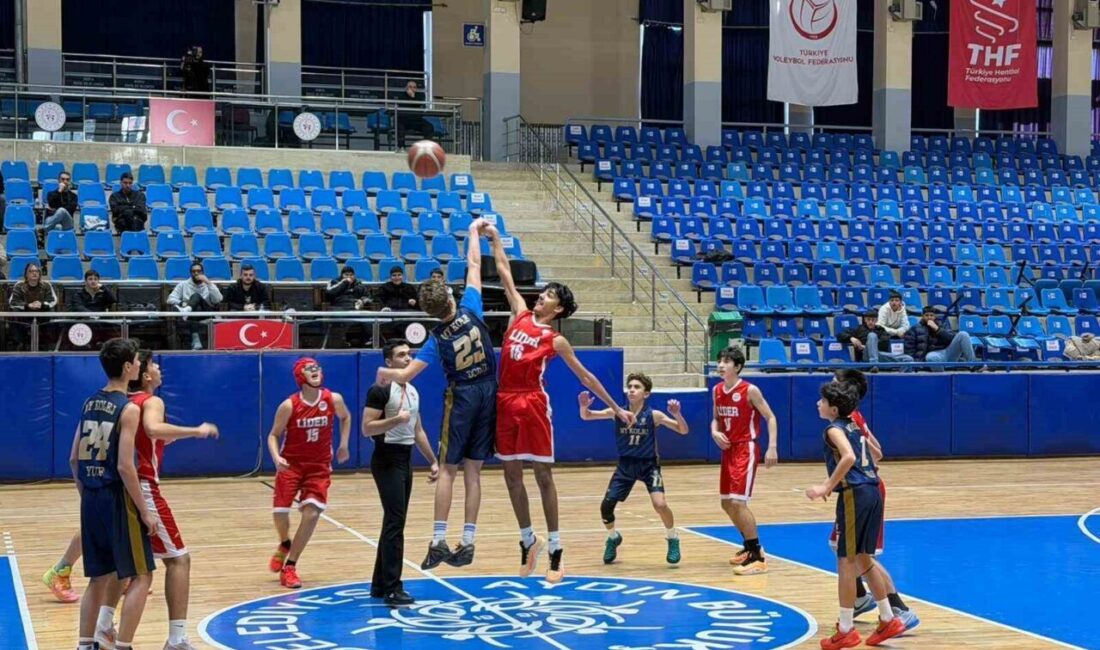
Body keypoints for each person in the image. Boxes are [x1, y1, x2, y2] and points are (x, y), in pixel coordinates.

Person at [486, 223, 633, 583]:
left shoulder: (555, 340)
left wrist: (616, 408)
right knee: (510, 475)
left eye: (550, 294)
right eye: (544, 291)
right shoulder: (519, 313)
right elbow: (504, 273)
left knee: (543, 476)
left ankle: (555, 549)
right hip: (504, 401)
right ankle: (527, 540)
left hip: (533, 403)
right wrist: (493, 238)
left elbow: (587, 378)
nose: (542, 295)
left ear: (560, 308)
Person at [376, 218, 495, 571]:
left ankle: (439, 539)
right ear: (451, 296)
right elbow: (475, 264)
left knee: (447, 470)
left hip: (462, 399)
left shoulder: (435, 339)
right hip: (489, 390)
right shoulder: (472, 306)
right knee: (474, 472)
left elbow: (407, 374)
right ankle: (469, 540)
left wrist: (386, 371)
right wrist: (474, 232)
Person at [122, 350, 219, 649]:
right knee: (179, 560)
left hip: (120, 488)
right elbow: (152, 428)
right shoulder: (153, 401)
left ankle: (103, 633)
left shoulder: (126, 401)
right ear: (146, 375)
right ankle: (177, 639)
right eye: (152, 364)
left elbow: (147, 434)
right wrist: (195, 431)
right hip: (145, 487)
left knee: (125, 569)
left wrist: (167, 436)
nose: (158, 368)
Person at [807, 381, 905, 649]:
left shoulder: (833, 429)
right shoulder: (854, 425)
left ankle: (846, 628)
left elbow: (849, 457)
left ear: (833, 408)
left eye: (822, 401)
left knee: (846, 561)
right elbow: (876, 455)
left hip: (855, 495)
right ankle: (888, 617)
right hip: (873, 490)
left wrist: (826, 486)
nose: (818, 403)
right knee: (864, 558)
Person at [71, 338, 155, 650]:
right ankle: (123, 645)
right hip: (117, 497)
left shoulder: (88, 403)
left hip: (91, 497)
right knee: (142, 575)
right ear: (127, 367)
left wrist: (86, 492)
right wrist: (144, 511)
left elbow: (73, 459)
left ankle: (84, 644)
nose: (139, 364)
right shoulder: (128, 409)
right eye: (136, 360)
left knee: (99, 577)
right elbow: (124, 466)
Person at [832, 369, 919, 632]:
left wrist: (829, 482)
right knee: (839, 545)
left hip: (863, 489)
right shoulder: (854, 417)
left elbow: (876, 454)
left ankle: (898, 609)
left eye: (834, 384)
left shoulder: (849, 420)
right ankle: (859, 598)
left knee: (861, 557)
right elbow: (878, 451)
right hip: (863, 487)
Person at [578, 372, 688, 565]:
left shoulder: (654, 415)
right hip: (626, 465)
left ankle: (673, 538)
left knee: (660, 504)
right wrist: (584, 407)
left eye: (637, 387)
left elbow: (683, 430)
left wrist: (677, 414)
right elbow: (587, 416)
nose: (632, 390)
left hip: (648, 465)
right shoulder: (617, 412)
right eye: (630, 386)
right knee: (606, 506)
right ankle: (613, 537)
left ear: (646, 394)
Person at [362, 340, 440, 606]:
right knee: (396, 521)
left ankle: (379, 583)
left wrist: (433, 460)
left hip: (405, 458)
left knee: (394, 521)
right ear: (389, 362)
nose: (408, 359)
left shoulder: (414, 392)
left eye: (409, 354)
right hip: (386, 458)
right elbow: (367, 428)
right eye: (401, 355)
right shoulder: (380, 390)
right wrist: (395, 420)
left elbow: (418, 431)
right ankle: (393, 587)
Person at [267, 358, 352, 589]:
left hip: (319, 466)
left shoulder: (333, 399)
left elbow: (346, 418)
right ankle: (285, 543)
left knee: (312, 513)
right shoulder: (289, 405)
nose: (315, 371)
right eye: (309, 368)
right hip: (292, 464)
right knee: (280, 513)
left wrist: (344, 444)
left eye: (317, 367)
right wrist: (276, 458)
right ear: (300, 376)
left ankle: (290, 566)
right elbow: (273, 435)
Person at [711, 346, 778, 575]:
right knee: (726, 503)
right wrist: (714, 432)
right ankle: (748, 546)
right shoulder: (717, 390)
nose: (721, 365)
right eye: (720, 360)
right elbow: (715, 420)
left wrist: (772, 447)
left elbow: (770, 417)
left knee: (738, 503)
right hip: (727, 450)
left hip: (745, 448)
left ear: (737, 367)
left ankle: (757, 555)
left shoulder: (750, 390)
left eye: (726, 361)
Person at [166, 261, 223, 350]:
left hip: (206, 312)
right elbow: (170, 299)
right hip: (192, 314)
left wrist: (208, 282)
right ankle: (196, 341)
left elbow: (218, 299)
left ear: (203, 273)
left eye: (199, 271)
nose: (196, 273)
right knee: (194, 309)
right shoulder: (183, 285)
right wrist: (183, 303)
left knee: (197, 296)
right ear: (190, 273)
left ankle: (186, 311)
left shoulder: (208, 284)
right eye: (193, 271)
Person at [904, 306, 978, 367]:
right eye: (926, 315)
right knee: (931, 357)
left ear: (935, 316)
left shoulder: (942, 324)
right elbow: (909, 348)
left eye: (931, 315)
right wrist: (916, 363)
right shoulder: (914, 329)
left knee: (963, 334)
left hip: (947, 352)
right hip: (932, 356)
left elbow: (951, 338)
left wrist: (937, 329)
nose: (929, 317)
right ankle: (942, 376)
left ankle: (973, 365)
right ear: (922, 316)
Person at [8, 262, 58, 350]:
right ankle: (19, 342)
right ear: (26, 274)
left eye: (36, 271)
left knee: (51, 311)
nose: (34, 273)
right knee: (14, 312)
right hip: (25, 315)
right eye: (31, 271)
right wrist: (27, 305)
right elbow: (13, 302)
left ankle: (48, 343)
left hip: (42, 314)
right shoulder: (19, 285)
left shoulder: (46, 285)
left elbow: (53, 300)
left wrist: (42, 304)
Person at [838, 310, 913, 365]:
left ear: (876, 320)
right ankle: (874, 364)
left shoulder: (881, 330)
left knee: (908, 359)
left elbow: (884, 343)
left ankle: (875, 363)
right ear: (865, 320)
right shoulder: (859, 329)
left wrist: (868, 346)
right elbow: (840, 334)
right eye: (868, 320)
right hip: (865, 357)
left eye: (873, 320)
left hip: (879, 355)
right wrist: (851, 338)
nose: (870, 322)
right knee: (872, 335)